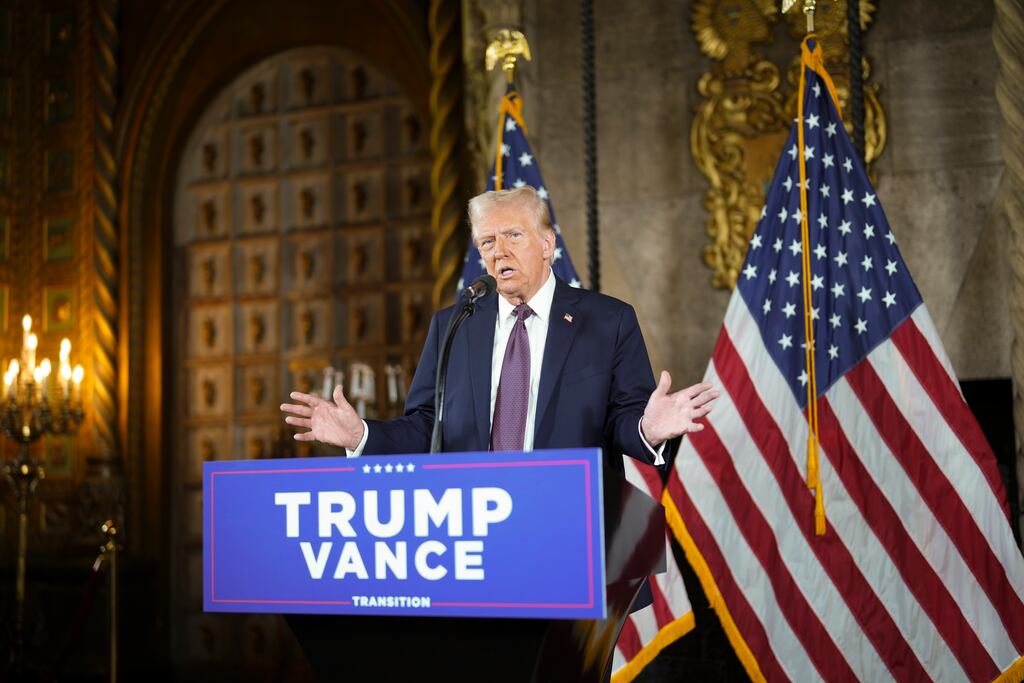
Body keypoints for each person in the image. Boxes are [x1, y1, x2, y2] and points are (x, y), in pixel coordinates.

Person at [280, 186, 717, 469]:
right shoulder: (456, 323)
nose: (499, 251)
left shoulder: (607, 320)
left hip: (569, 526)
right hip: (473, 522)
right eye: (487, 242)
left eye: (513, 236)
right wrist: (362, 435)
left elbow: (622, 418)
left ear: (547, 244)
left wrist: (648, 428)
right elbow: (426, 426)